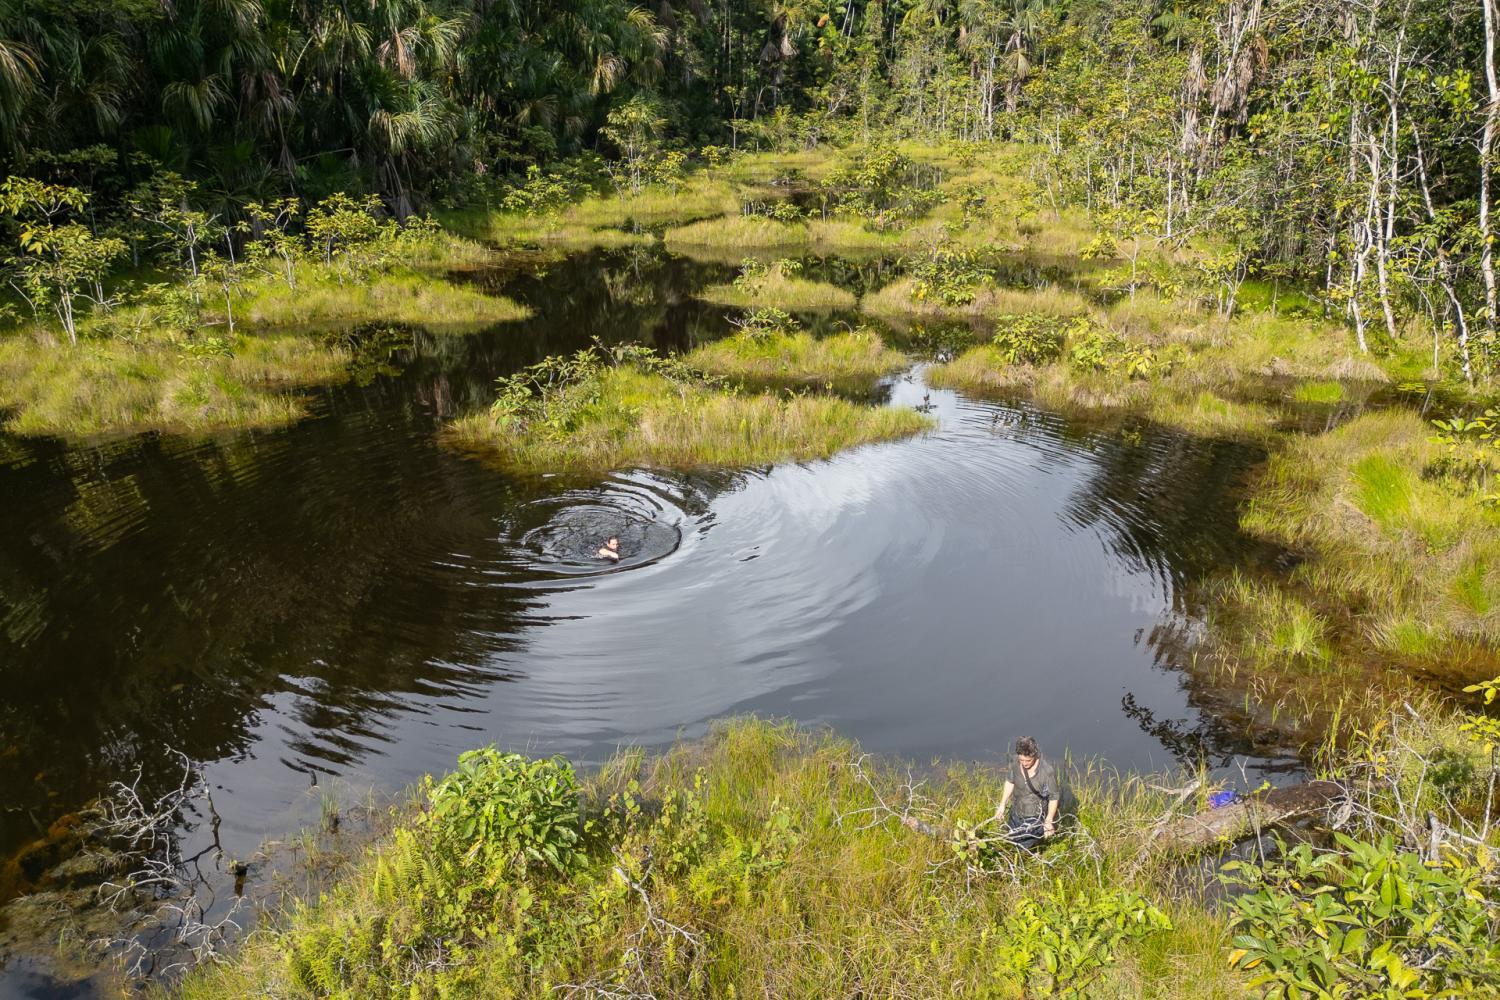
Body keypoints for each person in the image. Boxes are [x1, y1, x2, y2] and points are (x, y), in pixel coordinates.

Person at [994, 736, 1058, 847]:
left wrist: (1049, 820)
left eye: (1028, 760)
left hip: (1034, 819)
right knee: (1011, 842)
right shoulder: (1015, 762)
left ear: (1035, 755)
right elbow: (1010, 781)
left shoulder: (1047, 771)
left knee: (1024, 849)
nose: (1024, 763)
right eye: (1021, 760)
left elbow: (1054, 797)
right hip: (1015, 814)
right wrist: (1002, 804)